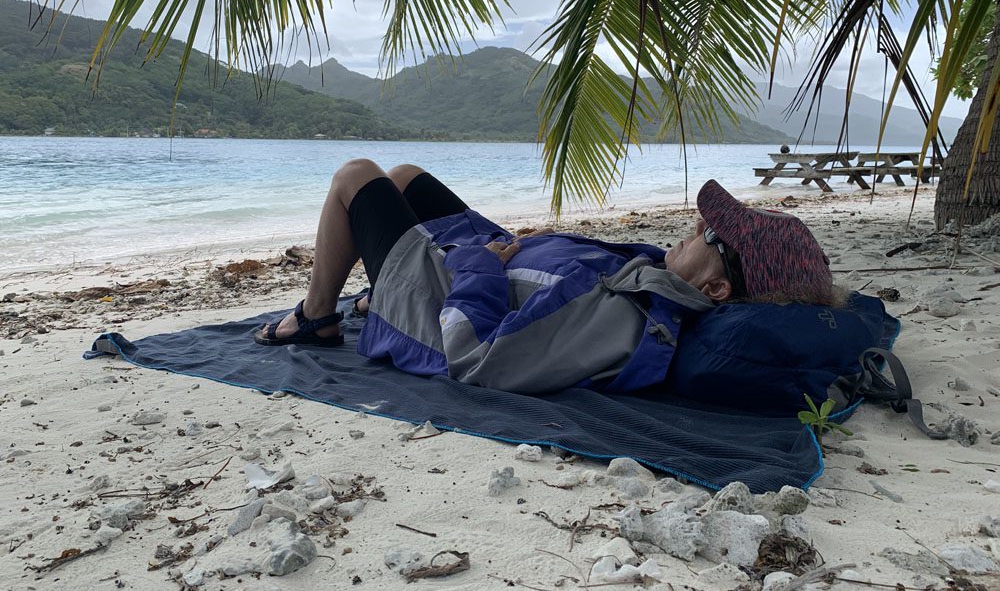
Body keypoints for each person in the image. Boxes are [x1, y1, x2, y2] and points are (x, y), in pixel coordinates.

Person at [255, 160, 835, 395]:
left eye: (711, 234)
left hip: (441, 303)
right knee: (405, 178)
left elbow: (474, 354)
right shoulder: (656, 274)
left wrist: (481, 263)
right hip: (486, 263)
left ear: (716, 290)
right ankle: (370, 292)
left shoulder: (623, 319)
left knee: (355, 177)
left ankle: (317, 317)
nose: (697, 224)